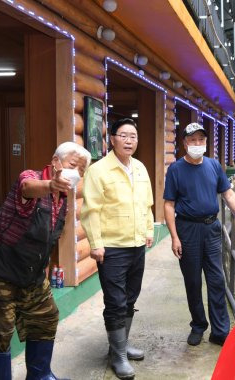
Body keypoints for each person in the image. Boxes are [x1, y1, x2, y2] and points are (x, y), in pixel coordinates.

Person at [0, 142, 91, 380]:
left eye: (81, 170)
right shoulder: (32, 178)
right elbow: (27, 187)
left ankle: (40, 376)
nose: (77, 173)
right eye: (73, 165)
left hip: (32, 274)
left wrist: (44, 273)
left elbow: (46, 241)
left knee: (46, 317)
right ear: (55, 162)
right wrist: (50, 185)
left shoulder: (63, 200)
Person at [163, 122, 235, 347]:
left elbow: (228, 194)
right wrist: (175, 236)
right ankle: (198, 325)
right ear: (185, 142)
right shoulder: (176, 169)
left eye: (201, 140)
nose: (197, 144)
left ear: (206, 143)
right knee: (193, 281)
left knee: (217, 279)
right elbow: (169, 204)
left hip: (211, 228)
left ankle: (220, 331)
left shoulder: (214, 166)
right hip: (187, 229)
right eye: (192, 140)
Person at [80, 118, 154, 380]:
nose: (129, 140)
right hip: (111, 248)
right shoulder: (98, 170)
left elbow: (146, 205)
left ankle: (120, 346)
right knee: (115, 301)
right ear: (112, 139)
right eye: (123, 135)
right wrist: (96, 243)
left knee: (131, 297)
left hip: (136, 245)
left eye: (133, 136)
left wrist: (148, 230)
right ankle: (118, 356)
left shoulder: (141, 168)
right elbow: (90, 211)